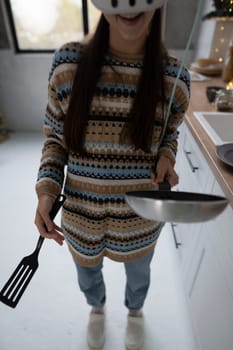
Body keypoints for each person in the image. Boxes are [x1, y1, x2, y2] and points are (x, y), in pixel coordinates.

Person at [34, 1, 190, 349]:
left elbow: (170, 134)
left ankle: (135, 312)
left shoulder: (173, 77)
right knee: (87, 274)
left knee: (139, 275)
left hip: (140, 220)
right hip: (80, 217)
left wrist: (167, 156)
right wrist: (46, 191)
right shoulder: (67, 66)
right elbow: (55, 141)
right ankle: (97, 308)